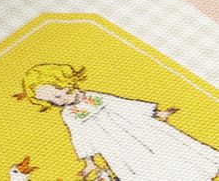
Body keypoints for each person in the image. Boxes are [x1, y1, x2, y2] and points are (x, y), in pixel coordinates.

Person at [19, 63, 219, 179]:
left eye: (59, 94)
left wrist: (156, 113)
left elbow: (123, 105)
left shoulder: (93, 97)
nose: (59, 101)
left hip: (138, 129)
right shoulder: (69, 114)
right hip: (114, 146)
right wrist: (89, 162)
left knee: (166, 148)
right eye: (52, 101)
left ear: (67, 83)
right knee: (140, 167)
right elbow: (79, 137)